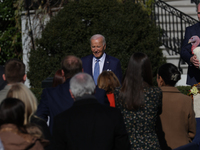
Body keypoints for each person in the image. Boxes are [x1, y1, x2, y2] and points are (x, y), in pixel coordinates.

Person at [52, 73, 130, 150]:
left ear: (71, 93)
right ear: (94, 90)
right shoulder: (113, 115)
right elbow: (123, 146)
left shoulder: (61, 120)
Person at [114, 52, 162, 149]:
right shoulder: (155, 93)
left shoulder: (119, 92)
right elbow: (158, 113)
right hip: (150, 144)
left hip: (127, 143)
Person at [36, 55, 82, 133]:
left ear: (62, 73)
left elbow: (39, 119)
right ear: (82, 71)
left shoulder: (51, 93)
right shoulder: (95, 91)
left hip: (58, 140)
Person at [156, 63, 196, 149]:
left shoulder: (152, 99)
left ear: (161, 79)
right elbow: (192, 130)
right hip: (182, 146)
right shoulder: (186, 100)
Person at [180, 3, 200, 85]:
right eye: (199, 13)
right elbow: (183, 51)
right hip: (196, 78)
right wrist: (191, 59)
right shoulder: (190, 30)